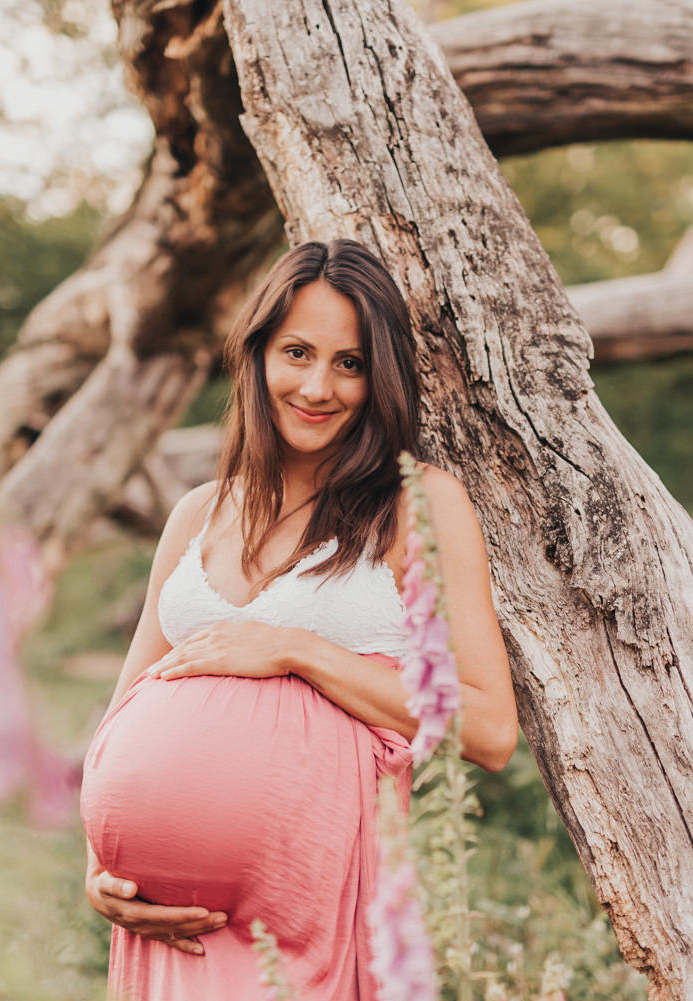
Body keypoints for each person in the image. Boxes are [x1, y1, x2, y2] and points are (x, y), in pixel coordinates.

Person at [78, 238, 518, 1000]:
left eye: (349, 363)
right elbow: (127, 702)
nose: (319, 386)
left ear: (380, 378)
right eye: (297, 352)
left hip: (312, 922)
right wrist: (100, 863)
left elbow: (487, 729)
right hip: (166, 925)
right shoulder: (196, 514)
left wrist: (297, 650)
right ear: (257, 356)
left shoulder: (419, 507)